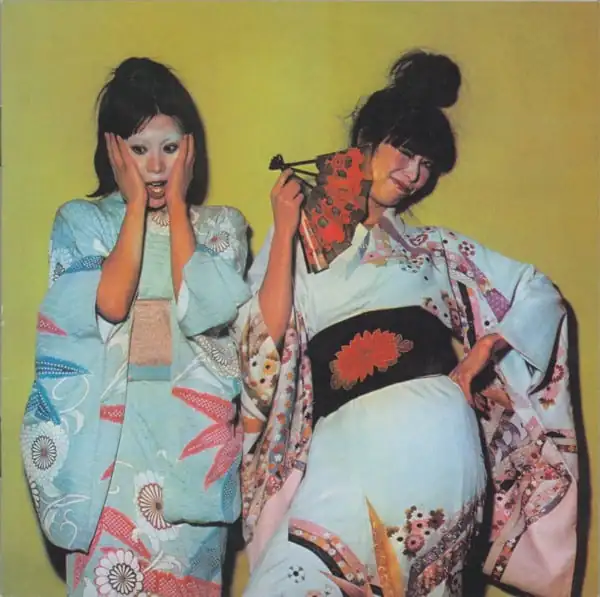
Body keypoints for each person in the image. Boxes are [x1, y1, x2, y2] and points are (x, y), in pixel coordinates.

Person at [237, 50, 578, 597]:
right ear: (366, 141)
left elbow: (538, 292)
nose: (414, 175)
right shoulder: (302, 234)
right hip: (345, 443)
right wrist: (284, 227)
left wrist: (483, 351)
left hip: (441, 442)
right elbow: (261, 343)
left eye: (427, 165)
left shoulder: (432, 249)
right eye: (404, 152)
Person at [20, 57, 250, 597]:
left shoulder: (221, 226)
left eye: (169, 148)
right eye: (139, 149)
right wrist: (134, 211)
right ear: (113, 150)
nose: (156, 165)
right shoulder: (83, 222)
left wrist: (177, 208)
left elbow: (205, 310)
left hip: (189, 448)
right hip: (109, 456)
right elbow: (109, 302)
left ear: (190, 149)